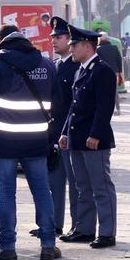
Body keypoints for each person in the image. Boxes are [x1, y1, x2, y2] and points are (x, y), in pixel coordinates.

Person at [0, 29, 60, 260]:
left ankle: (7, 248)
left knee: (6, 194)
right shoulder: (47, 65)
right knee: (42, 191)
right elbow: (59, 102)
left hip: (4, 141)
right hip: (37, 140)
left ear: (3, 44)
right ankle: (48, 245)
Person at [59, 26, 117, 248]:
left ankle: (107, 232)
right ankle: (84, 229)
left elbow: (104, 108)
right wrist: (65, 132)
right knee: (82, 186)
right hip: (77, 137)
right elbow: (74, 107)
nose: (71, 49)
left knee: (101, 186)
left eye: (74, 45)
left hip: (94, 140)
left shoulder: (102, 71)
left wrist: (95, 134)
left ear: (87, 46)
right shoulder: (80, 70)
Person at [42, 16, 79, 239]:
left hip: (70, 133)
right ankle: (54, 224)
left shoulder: (76, 66)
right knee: (54, 182)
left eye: (59, 37)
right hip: (53, 133)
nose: (53, 41)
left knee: (75, 184)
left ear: (69, 39)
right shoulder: (54, 65)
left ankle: (78, 226)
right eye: (52, 37)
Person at [97, 33, 123, 115]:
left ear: (99, 40)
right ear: (108, 39)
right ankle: (117, 109)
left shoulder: (98, 49)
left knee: (102, 91)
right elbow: (119, 60)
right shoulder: (114, 48)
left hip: (102, 72)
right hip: (113, 72)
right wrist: (119, 72)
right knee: (114, 91)